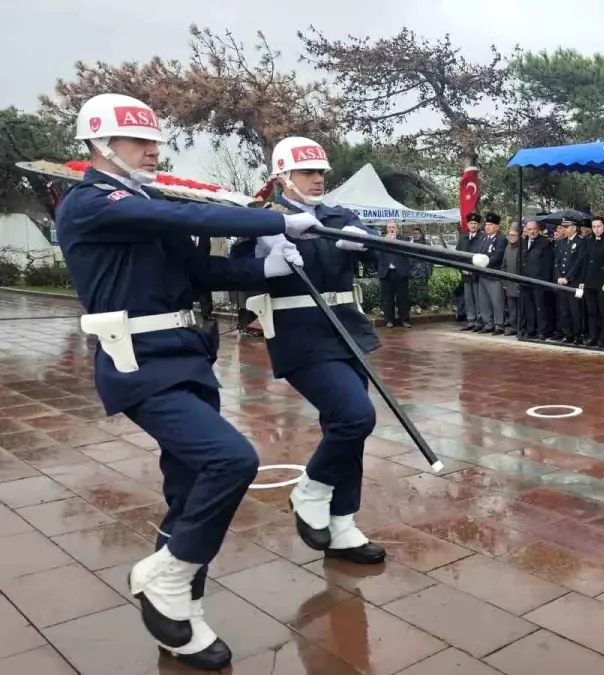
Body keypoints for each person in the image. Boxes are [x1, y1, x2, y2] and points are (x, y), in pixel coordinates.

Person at [56, 94, 319, 670]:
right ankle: (163, 579)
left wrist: (267, 269)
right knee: (229, 460)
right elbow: (185, 216)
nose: (153, 151)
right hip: (140, 362)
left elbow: (202, 271)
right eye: (138, 142)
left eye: (155, 141)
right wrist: (275, 217)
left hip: (187, 353)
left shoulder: (144, 202)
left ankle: (180, 614)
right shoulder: (91, 203)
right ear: (100, 145)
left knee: (187, 492)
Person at [237, 136, 386, 568]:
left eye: (321, 172)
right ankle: (311, 490)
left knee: (348, 430)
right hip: (300, 333)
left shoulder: (339, 216)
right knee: (356, 416)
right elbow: (239, 273)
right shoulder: (265, 219)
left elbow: (378, 258)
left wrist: (367, 243)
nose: (318, 179)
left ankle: (343, 523)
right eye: (307, 173)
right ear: (282, 176)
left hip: (346, 330)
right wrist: (264, 257)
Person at [581, 217, 604, 348]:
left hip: (603, 282)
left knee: (603, 311)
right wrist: (582, 281)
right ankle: (593, 337)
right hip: (590, 281)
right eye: (594, 227)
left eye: (598, 226)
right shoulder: (589, 241)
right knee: (592, 311)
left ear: (603, 226)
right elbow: (585, 262)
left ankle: (602, 338)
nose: (596, 229)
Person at [519, 219, 554, 339]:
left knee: (540, 307)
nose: (532, 231)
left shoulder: (545, 243)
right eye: (529, 229)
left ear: (538, 229)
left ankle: (542, 331)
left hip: (539, 281)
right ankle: (530, 330)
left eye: (534, 229)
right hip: (525, 280)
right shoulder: (523, 242)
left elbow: (548, 264)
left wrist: (545, 281)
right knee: (529, 307)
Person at [377, 221, 412, 328]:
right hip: (386, 272)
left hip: (400, 272)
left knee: (403, 297)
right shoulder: (381, 240)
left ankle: (404, 320)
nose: (391, 229)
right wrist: (386, 241)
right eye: (389, 227)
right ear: (386, 229)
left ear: (397, 229)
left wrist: (394, 240)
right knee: (387, 298)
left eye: (393, 227)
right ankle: (389, 320)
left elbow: (406, 250)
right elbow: (378, 253)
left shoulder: (404, 239)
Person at [477, 213, 508, 334]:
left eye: (491, 225)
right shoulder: (484, 238)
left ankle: (499, 324)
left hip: (494, 274)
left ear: (497, 227)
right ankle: (488, 323)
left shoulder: (501, 239)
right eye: (487, 224)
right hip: (482, 273)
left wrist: (484, 263)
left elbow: (498, 255)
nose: (488, 227)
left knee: (496, 301)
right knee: (484, 301)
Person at [456, 213, 483, 330]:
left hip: (477, 274)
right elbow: (457, 255)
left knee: (478, 298)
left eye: (475, 223)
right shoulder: (463, 237)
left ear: (478, 225)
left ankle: (479, 321)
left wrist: (475, 269)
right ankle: (471, 320)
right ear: (467, 224)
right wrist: (462, 268)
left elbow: (483, 256)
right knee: (468, 298)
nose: (473, 225)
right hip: (465, 274)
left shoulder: (482, 238)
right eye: (471, 223)